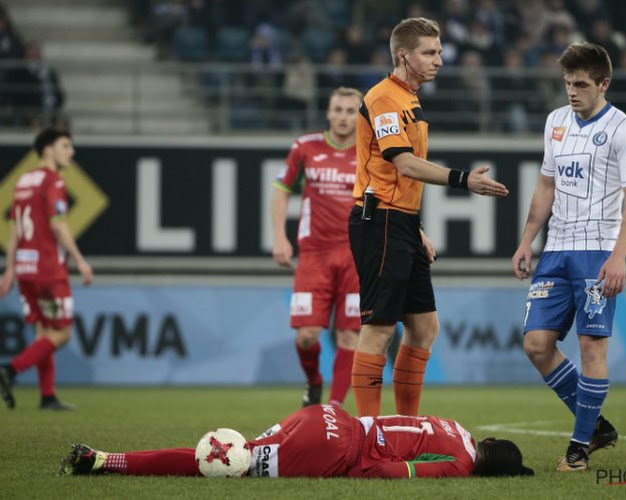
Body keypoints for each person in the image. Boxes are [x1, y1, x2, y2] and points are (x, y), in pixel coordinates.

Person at [348, 17, 509, 419]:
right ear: (404, 55)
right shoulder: (385, 98)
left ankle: (406, 425)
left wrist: (416, 227)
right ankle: (368, 430)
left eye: (438, 52)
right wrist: (462, 179)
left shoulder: (408, 98)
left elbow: (396, 174)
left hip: (400, 222)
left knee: (423, 328)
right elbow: (403, 164)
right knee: (380, 328)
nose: (439, 60)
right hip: (379, 221)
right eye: (429, 52)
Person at [511, 42, 626, 472]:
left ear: (603, 83)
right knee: (536, 344)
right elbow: (545, 186)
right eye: (568, 83)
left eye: (581, 84)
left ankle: (578, 447)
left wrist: (618, 256)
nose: (572, 91)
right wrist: (526, 240)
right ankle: (597, 427)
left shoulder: (623, 129)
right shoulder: (555, 122)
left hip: (596, 251)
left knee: (591, 346)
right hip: (556, 249)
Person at [58, 404, 535, 479]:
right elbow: (397, 470)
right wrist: (353, 470)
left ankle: (102, 458)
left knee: (234, 454)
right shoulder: (460, 463)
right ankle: (99, 460)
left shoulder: (457, 428)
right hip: (332, 448)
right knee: (229, 465)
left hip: (326, 416)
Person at [271, 87, 363, 407]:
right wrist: (280, 237)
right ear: (328, 112)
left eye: (351, 111)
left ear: (360, 115)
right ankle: (314, 382)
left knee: (349, 336)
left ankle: (334, 408)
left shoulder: (372, 152)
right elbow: (282, 190)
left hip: (357, 255)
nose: (343, 117)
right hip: (315, 255)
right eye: (338, 109)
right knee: (307, 335)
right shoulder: (305, 146)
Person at [0, 128, 93, 411]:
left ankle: (47, 396)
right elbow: (58, 223)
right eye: (65, 145)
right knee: (61, 334)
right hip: (49, 269)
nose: (71, 151)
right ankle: (10, 370)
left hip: (27, 268)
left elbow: (15, 229)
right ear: (47, 150)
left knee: (44, 333)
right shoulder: (53, 181)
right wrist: (79, 259)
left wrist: (11, 269)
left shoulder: (23, 181)